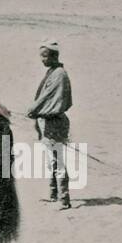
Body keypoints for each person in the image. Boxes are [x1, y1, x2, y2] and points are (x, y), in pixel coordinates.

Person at [27, 40, 73, 209]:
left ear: (53, 56)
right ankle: (53, 194)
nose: (42, 59)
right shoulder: (53, 72)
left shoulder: (59, 74)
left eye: (45, 56)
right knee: (51, 161)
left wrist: (32, 109)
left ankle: (64, 199)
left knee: (58, 161)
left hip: (54, 123)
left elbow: (48, 98)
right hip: (46, 122)